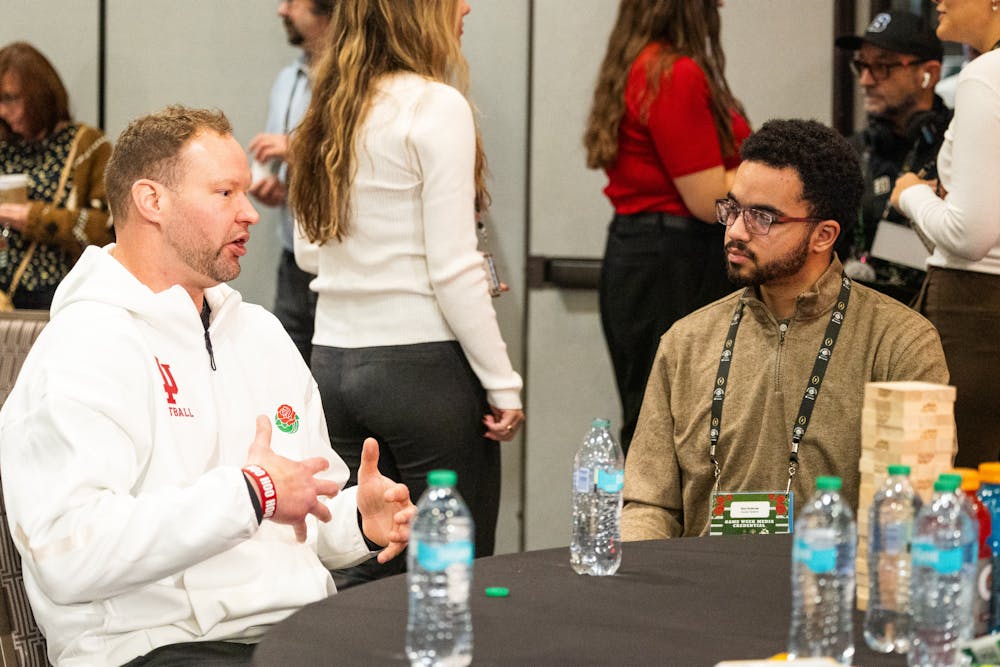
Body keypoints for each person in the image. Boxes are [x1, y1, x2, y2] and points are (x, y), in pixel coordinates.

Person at [0, 105, 415, 666]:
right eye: (224, 193)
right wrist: (249, 493)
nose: (249, 213)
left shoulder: (260, 334)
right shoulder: (84, 346)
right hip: (157, 647)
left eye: (245, 193)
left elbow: (293, 527)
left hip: (295, 632)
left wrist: (358, 523)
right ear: (152, 202)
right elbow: (69, 556)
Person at [621, 119, 949, 540]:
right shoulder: (686, 341)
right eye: (733, 209)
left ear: (823, 234)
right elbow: (648, 505)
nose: (736, 231)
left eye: (762, 217)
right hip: (702, 592)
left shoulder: (900, 342)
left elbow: (911, 515)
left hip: (831, 589)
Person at [288, 0, 524, 585]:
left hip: (335, 367)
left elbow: (306, 250)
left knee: (358, 570)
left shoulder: (327, 106)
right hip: (421, 372)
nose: (467, 6)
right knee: (446, 580)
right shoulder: (435, 105)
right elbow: (453, 268)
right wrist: (502, 382)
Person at [582, 0, 750, 454]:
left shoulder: (641, 63)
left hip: (651, 257)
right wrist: (766, 176)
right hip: (672, 263)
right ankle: (658, 528)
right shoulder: (672, 73)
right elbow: (707, 199)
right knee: (672, 433)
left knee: (659, 424)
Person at [891, 0, 1000, 468]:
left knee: (960, 488)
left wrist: (911, 194)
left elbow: (968, 234)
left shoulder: (985, 76)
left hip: (976, 310)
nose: (940, 0)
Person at [834, 10, 952, 305]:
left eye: (882, 66)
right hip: (860, 309)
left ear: (929, 73)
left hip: (936, 309)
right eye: (861, 65)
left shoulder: (957, 147)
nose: (865, 80)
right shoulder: (851, 151)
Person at [248, 0, 333, 366]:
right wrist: (278, 188)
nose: (281, 11)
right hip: (292, 256)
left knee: (332, 387)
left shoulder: (358, 84)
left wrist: (297, 150)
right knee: (286, 377)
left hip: (338, 259)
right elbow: (285, 161)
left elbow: (361, 166)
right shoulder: (288, 79)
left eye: (292, 2)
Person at [0, 42, 113, 310]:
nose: (3, 111)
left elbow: (108, 231)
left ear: (39, 94)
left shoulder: (87, 146)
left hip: (60, 296)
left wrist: (34, 218)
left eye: (11, 98)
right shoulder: (4, 144)